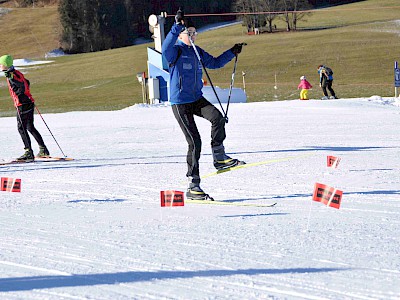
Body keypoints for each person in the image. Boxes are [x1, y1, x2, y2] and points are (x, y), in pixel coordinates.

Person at [162, 10, 245, 200]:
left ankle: (220, 158)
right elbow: (166, 47)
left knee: (218, 118)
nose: (192, 36)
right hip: (180, 103)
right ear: (182, 35)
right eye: (188, 33)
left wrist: (232, 52)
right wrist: (176, 26)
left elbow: (215, 63)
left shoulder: (197, 52)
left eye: (194, 33)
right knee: (194, 142)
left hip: (196, 99)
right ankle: (193, 185)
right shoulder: (176, 51)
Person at [0, 54, 50, 161]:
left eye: (1, 64)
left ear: (5, 65)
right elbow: (27, 82)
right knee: (29, 127)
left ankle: (28, 152)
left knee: (21, 128)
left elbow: (21, 86)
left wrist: (20, 94)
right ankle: (43, 149)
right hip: (29, 102)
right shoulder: (16, 72)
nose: (0, 65)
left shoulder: (11, 75)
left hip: (22, 104)